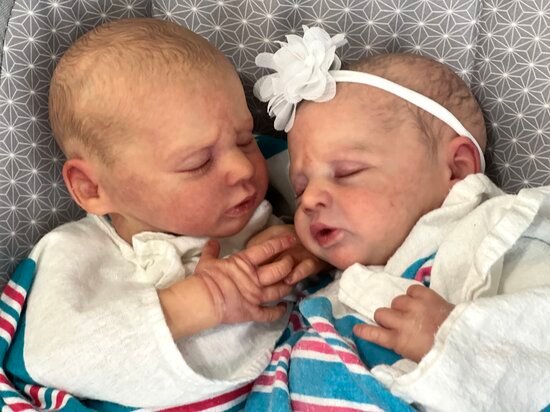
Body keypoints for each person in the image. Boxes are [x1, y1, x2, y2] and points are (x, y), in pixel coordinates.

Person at [5, 18, 325, 410]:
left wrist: (310, 244)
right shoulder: (75, 253)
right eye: (198, 163)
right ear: (92, 188)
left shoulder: (275, 195)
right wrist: (200, 302)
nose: (242, 168)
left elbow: (363, 210)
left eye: (244, 140)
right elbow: (52, 357)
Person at [250, 26, 550, 411]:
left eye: (347, 172)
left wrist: (456, 341)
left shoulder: (498, 237)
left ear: (456, 169)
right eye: (301, 186)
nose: (308, 201)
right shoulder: (323, 279)